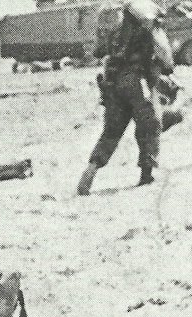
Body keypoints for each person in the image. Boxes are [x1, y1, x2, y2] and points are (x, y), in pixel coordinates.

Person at [77, 0, 175, 195]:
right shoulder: (148, 29)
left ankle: (92, 167)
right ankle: (146, 174)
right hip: (137, 82)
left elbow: (98, 52)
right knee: (150, 124)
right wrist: (167, 68)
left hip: (112, 81)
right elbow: (164, 55)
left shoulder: (114, 28)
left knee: (112, 130)